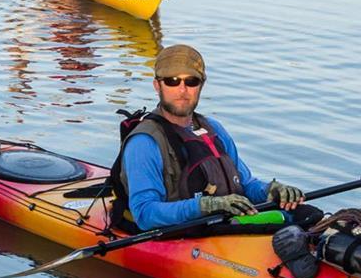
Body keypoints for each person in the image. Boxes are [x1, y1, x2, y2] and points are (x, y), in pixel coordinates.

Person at [109, 44, 318, 235]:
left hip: (224, 226)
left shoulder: (214, 129)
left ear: (201, 85)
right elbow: (145, 214)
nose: (182, 90)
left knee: (307, 214)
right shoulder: (144, 142)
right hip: (181, 236)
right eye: (172, 81)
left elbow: (245, 184)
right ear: (157, 85)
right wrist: (206, 205)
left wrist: (271, 190)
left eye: (191, 81)